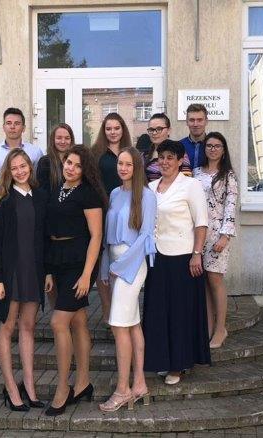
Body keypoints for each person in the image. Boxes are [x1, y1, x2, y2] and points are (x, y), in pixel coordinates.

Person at [143, 140, 211, 385]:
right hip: (157, 258)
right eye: (161, 157)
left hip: (183, 259)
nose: (165, 162)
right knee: (159, 313)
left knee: (180, 314)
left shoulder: (191, 185)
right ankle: (163, 360)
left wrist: (197, 254)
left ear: (181, 160)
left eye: (170, 157)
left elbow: (201, 223)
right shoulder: (151, 187)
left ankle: (178, 365)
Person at [44, 145, 106, 416]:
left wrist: (86, 275)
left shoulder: (88, 193)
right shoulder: (57, 189)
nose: (71, 168)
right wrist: (48, 270)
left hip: (79, 263)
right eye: (69, 162)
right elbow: (48, 231)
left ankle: (63, 388)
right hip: (57, 260)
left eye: (77, 165)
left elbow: (96, 236)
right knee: (78, 320)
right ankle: (83, 383)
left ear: (85, 170)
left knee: (58, 322)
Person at [0, 149, 48, 411]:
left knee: (28, 327)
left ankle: (30, 387)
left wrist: (47, 272)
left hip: (33, 272)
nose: (20, 171)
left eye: (23, 166)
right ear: (8, 172)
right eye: (14, 168)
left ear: (30, 167)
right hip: (10, 274)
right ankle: (11, 388)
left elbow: (45, 239)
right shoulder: (2, 200)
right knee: (7, 327)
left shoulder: (40, 196)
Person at [99, 147, 156, 412]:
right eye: (120, 163)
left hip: (132, 265)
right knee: (131, 324)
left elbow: (145, 237)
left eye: (128, 164)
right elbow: (107, 238)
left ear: (137, 167)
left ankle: (122, 391)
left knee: (119, 325)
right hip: (114, 263)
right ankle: (140, 384)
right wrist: (106, 267)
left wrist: (119, 267)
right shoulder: (114, 193)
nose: (122, 168)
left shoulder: (146, 196)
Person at [193, 132, 238, 349]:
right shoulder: (196, 173)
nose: (213, 149)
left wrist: (225, 235)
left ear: (223, 149)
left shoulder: (228, 176)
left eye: (217, 146)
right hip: (199, 233)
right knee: (203, 281)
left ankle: (221, 329)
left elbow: (231, 206)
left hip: (218, 235)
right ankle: (208, 327)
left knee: (215, 279)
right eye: (209, 145)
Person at [92, 113, 133, 323]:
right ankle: (108, 311)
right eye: (108, 128)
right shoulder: (96, 154)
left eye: (117, 128)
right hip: (102, 212)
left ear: (123, 129)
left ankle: (121, 309)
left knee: (121, 257)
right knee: (103, 262)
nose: (113, 132)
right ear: (103, 131)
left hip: (126, 213)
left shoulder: (131, 153)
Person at [0, 107, 44, 196]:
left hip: (27, 201)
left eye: (17, 123)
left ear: (23, 128)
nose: (12, 127)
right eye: (8, 123)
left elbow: (39, 180)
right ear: (3, 127)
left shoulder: (35, 151)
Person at [143, 113, 192, 182]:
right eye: (151, 129)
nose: (154, 133)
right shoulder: (144, 155)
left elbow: (186, 180)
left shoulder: (178, 151)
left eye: (159, 129)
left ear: (169, 130)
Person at [36, 123, 75, 195]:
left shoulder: (77, 161)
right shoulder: (45, 162)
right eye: (59, 138)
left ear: (71, 140)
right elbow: (42, 191)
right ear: (53, 139)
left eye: (67, 138)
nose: (63, 141)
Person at [180, 103, 209, 170]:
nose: (195, 124)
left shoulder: (213, 146)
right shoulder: (179, 145)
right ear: (187, 122)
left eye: (200, 120)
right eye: (192, 120)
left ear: (206, 121)